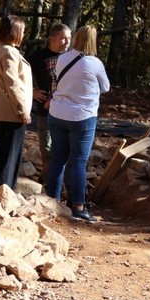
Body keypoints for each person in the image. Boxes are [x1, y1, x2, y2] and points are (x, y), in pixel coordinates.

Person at [45, 26, 110, 222]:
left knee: (58, 159)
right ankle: (78, 206)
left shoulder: (62, 58)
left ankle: (52, 201)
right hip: (82, 117)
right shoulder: (95, 63)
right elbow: (105, 87)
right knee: (79, 162)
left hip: (57, 113)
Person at [0, 15, 33, 189]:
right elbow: (13, 83)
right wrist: (22, 110)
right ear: (14, 32)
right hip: (11, 113)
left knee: (3, 154)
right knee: (9, 157)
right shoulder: (9, 52)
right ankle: (3, 192)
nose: (23, 34)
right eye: (22, 31)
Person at [27, 23, 71, 179]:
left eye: (69, 38)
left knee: (63, 148)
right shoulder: (37, 57)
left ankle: (63, 182)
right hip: (44, 110)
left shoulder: (71, 58)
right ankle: (48, 181)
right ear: (52, 38)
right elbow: (21, 76)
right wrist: (31, 91)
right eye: (63, 38)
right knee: (46, 148)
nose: (67, 42)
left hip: (66, 110)